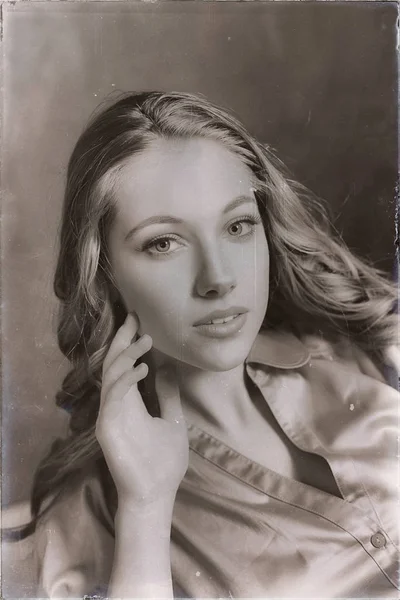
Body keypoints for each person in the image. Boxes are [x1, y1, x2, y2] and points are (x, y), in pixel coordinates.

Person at [22, 91, 400, 598]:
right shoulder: (93, 511)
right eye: (163, 243)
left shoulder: (364, 350)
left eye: (238, 226)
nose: (218, 279)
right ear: (103, 274)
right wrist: (146, 509)